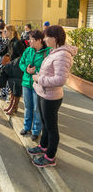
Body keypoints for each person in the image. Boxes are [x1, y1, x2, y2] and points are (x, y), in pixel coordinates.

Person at [28, 26, 77, 167]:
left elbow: (61, 80)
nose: (44, 39)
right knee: (45, 124)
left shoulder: (63, 55)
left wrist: (39, 79)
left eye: (46, 37)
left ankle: (50, 157)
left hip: (51, 97)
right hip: (43, 93)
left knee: (51, 128)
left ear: (54, 38)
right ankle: (43, 147)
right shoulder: (54, 51)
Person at [18, 30, 51, 141]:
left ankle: (36, 131)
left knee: (37, 109)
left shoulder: (47, 53)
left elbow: (47, 69)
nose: (29, 41)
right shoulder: (28, 50)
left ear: (39, 40)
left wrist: (35, 71)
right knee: (28, 107)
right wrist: (26, 69)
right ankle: (26, 127)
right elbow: (21, 63)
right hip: (26, 83)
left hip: (38, 84)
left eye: (31, 39)